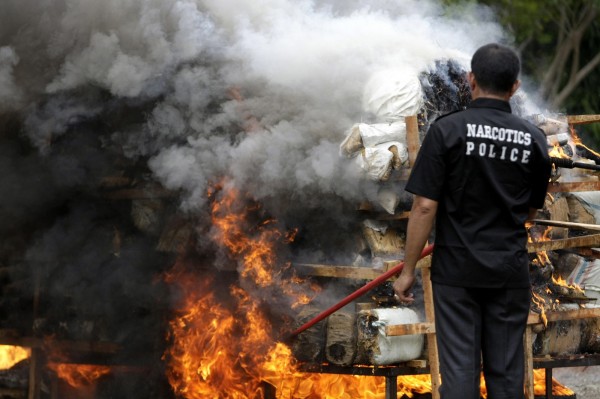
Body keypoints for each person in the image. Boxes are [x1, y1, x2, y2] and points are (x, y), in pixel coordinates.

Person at [393, 43, 551, 399]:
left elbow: (423, 208)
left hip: (457, 274)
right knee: (508, 378)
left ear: (471, 80)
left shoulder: (446, 131)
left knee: (461, 376)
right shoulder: (534, 139)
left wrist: (407, 272)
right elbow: (530, 213)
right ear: (515, 86)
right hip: (508, 272)